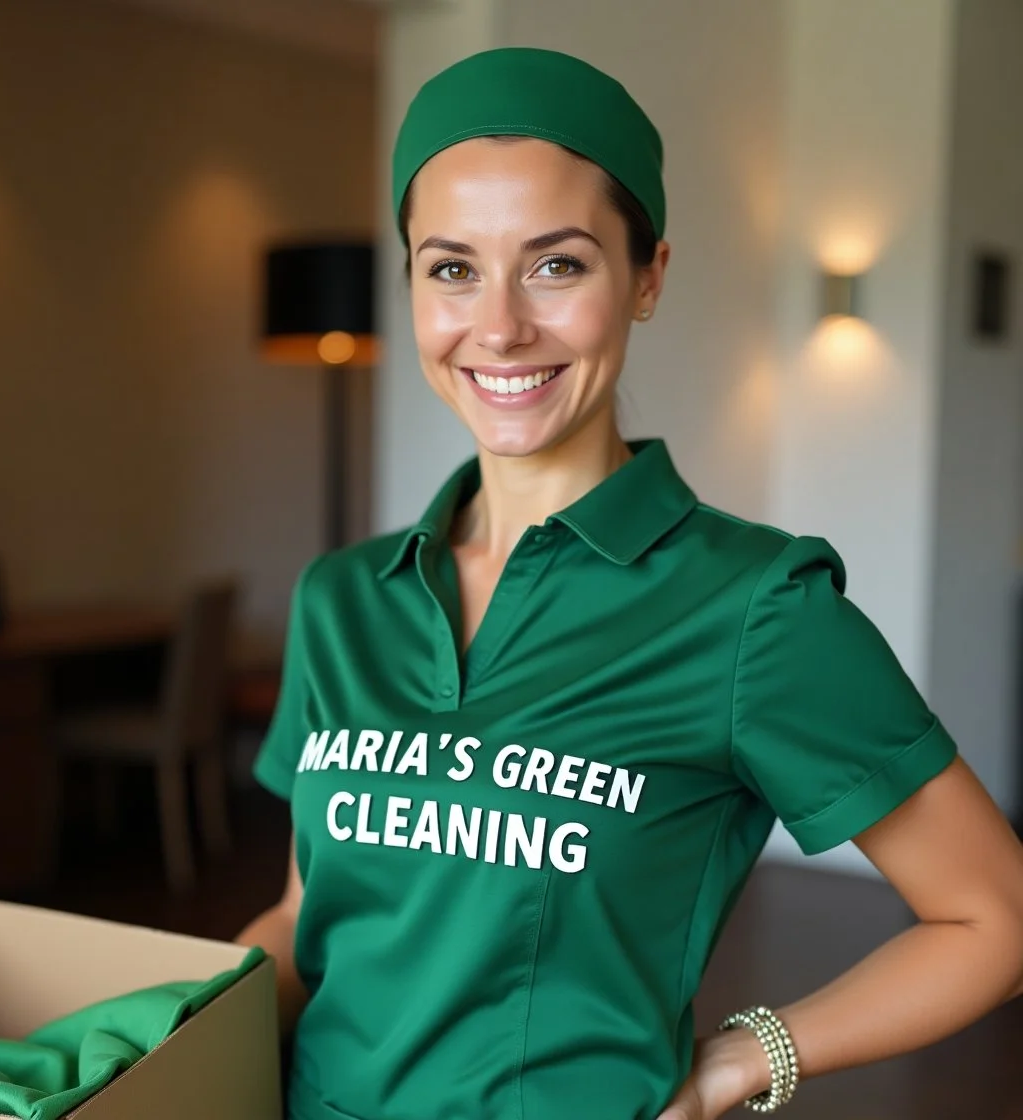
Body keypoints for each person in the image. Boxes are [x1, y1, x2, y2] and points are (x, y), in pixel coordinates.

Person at [238, 47, 1023, 1120]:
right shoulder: (341, 600)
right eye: (452, 267)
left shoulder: (752, 608)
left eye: (557, 265)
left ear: (647, 275)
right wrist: (148, 1040)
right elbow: (301, 917)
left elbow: (994, 915)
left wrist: (749, 1057)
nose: (500, 325)